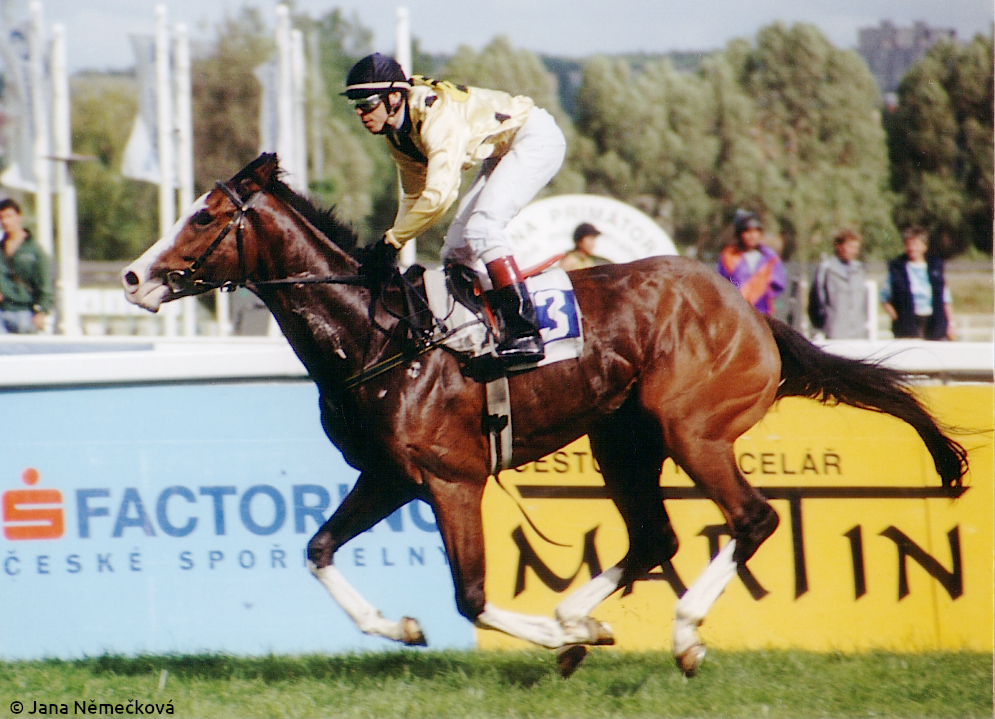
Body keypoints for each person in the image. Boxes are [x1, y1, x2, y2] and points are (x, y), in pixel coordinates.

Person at [343, 53, 566, 367]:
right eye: (355, 105)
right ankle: (484, 330)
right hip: (503, 149)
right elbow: (413, 196)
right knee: (455, 251)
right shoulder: (397, 133)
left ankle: (524, 331)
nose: (360, 113)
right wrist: (393, 242)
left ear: (393, 98)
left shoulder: (436, 118)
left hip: (534, 138)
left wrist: (391, 242)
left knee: (482, 229)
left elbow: (439, 196)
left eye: (367, 104)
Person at [880, 226, 955, 340]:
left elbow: (945, 298)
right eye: (908, 244)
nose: (912, 248)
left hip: (933, 322)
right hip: (908, 323)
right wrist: (897, 318)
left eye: (916, 244)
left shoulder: (935, 267)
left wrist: (951, 323)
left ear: (924, 246)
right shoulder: (897, 268)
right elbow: (884, 298)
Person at [716, 210, 785, 316]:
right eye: (747, 231)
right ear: (740, 234)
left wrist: (760, 292)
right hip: (736, 312)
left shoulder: (769, 257)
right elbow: (722, 283)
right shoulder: (729, 256)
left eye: (755, 231)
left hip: (763, 313)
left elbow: (778, 284)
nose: (752, 235)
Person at [0, 198, 53, 334]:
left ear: (19, 217)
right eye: (2, 218)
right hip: (2, 311)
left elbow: (45, 283)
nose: (5, 221)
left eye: (9, 216)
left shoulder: (34, 250)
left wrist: (42, 312)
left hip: (25, 312)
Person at [808, 228, 868, 339]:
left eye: (856, 247)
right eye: (850, 247)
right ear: (838, 246)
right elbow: (817, 302)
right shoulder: (827, 269)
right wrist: (822, 327)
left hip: (858, 334)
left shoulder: (859, 270)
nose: (854, 251)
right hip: (834, 333)